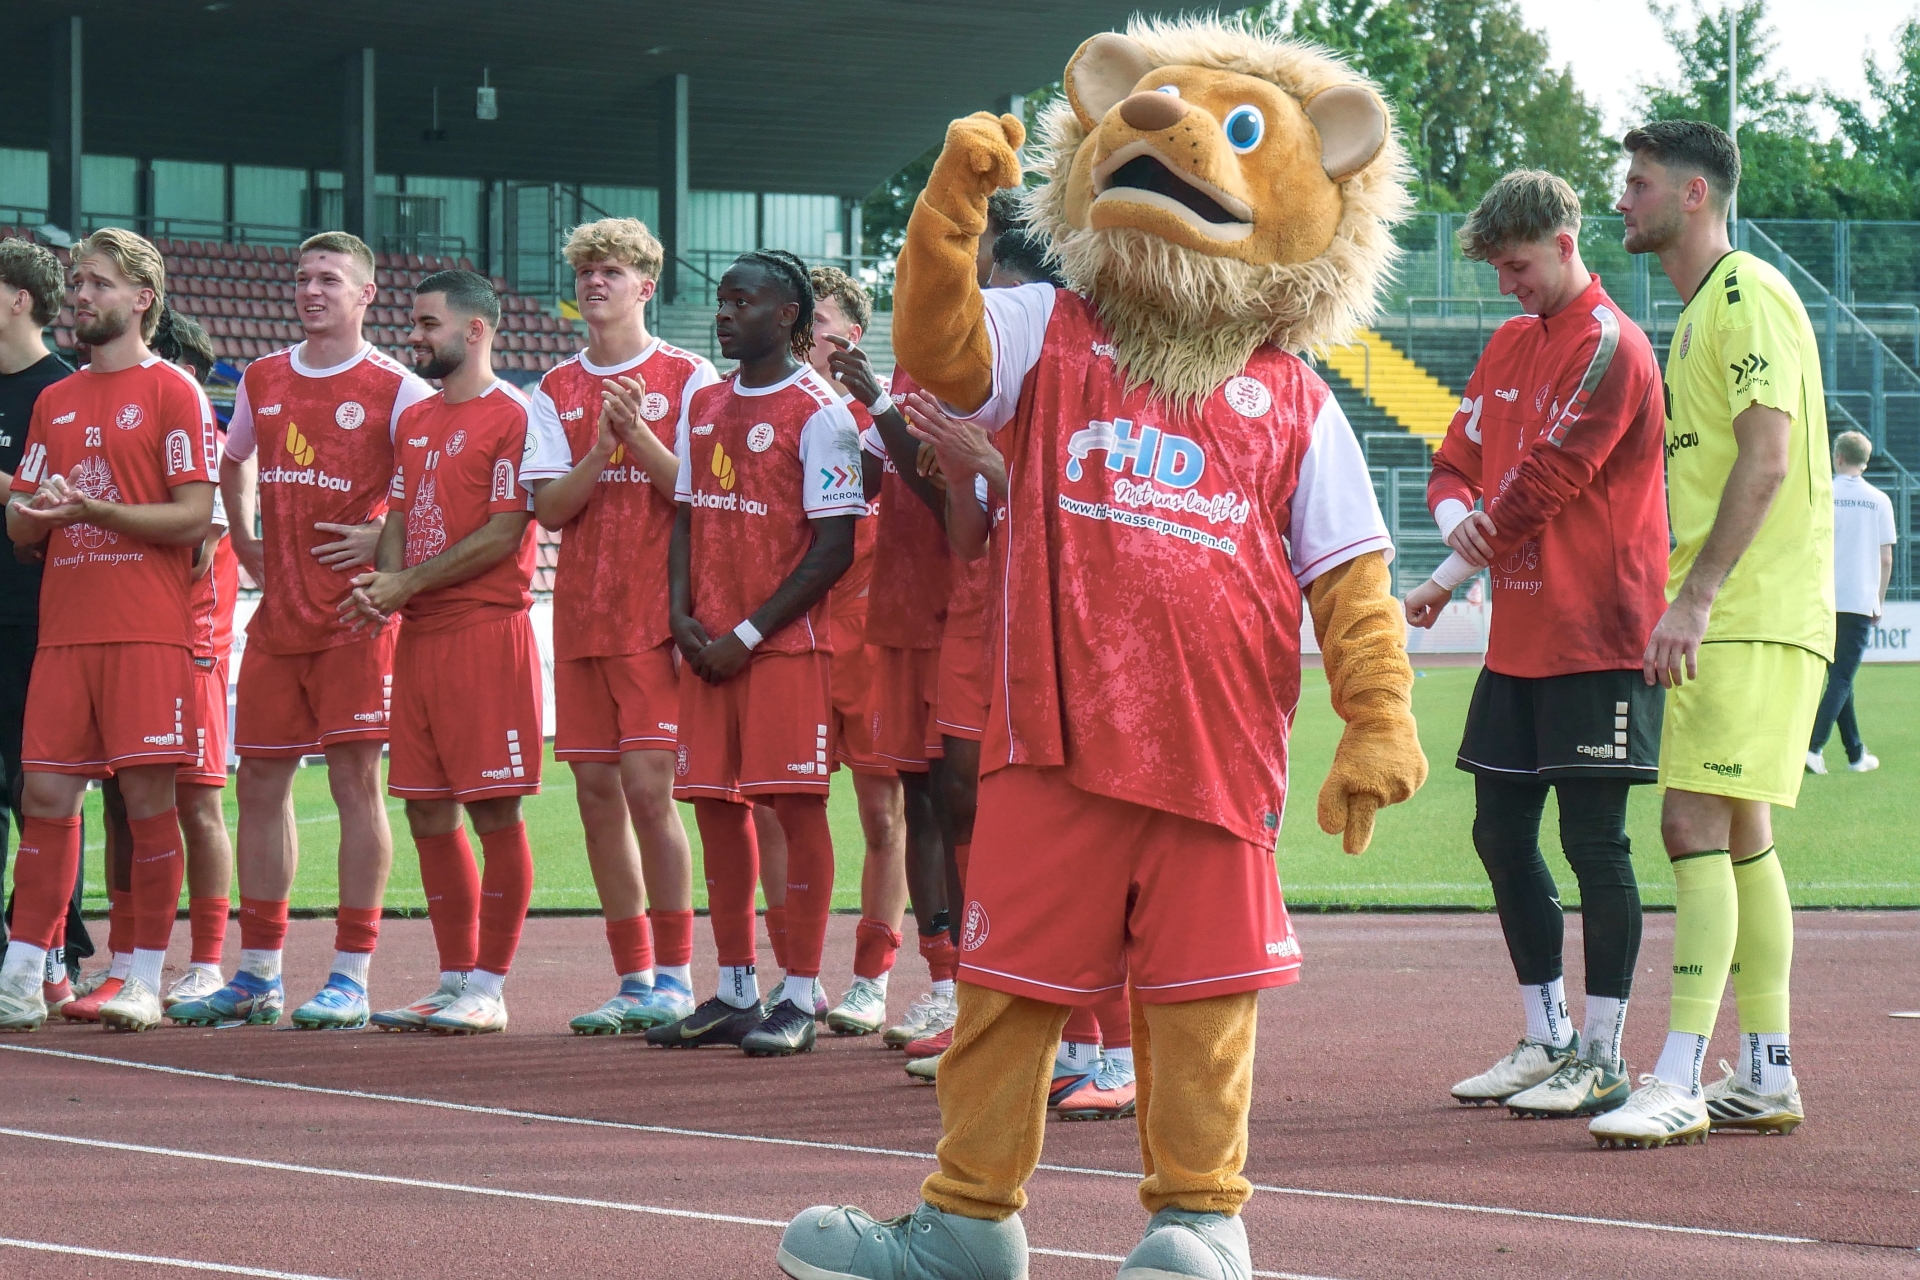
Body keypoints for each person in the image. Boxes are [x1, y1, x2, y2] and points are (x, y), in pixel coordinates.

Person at [1400, 171, 1668, 1119]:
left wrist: (1443, 577)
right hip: (1518, 637)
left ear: (1563, 241)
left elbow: (1548, 481)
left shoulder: (1611, 345)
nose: (1507, 286)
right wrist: (1455, 521)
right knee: (1499, 832)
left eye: (1516, 267)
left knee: (1595, 842)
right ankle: (1545, 1035)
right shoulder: (1512, 340)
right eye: (1497, 272)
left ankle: (1602, 1055)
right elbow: (1453, 463)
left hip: (1600, 634)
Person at [1598, 120, 1829, 1147]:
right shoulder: (1704, 310)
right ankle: (1767, 1069)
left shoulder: (1743, 294)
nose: (1623, 198)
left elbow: (1767, 457)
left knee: (1688, 824)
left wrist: (1695, 599)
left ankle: (1679, 1073)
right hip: (1755, 611)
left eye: (1640, 182)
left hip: (1744, 614)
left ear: (1695, 194)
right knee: (1742, 833)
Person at [185, 232, 433, 1030]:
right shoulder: (262, 376)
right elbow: (234, 461)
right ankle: (259, 972)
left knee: (355, 785)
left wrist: (385, 537)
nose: (312, 289)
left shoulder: (398, 388)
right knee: (258, 783)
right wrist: (246, 535)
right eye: (303, 277)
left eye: (330, 278)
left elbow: (432, 486)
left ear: (366, 294)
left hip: (356, 619)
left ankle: (351, 974)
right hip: (278, 620)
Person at [644, 249, 865, 1057]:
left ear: (786, 315)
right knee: (713, 806)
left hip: (782, 650)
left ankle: (799, 993)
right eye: (722, 300)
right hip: (709, 645)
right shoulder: (703, 402)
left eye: (743, 301)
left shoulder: (822, 412)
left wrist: (744, 634)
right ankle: (736, 988)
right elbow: (686, 514)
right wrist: (681, 614)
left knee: (794, 809)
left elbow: (833, 548)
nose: (725, 313)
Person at [0, 227, 216, 1033]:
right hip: (64, 631)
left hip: (144, 632)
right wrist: (40, 514)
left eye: (98, 283)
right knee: (45, 796)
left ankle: (143, 976)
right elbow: (21, 526)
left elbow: (194, 517)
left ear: (141, 299)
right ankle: (24, 976)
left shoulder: (174, 391)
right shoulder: (54, 401)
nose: (82, 295)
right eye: (79, 281)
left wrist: (97, 510)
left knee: (147, 800)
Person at [518, 218, 713, 1036]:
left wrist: (638, 436)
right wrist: (601, 451)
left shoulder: (689, 375)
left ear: (646, 285)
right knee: (596, 794)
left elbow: (700, 493)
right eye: (586, 271)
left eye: (612, 271)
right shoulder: (555, 386)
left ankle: (676, 974)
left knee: (648, 790)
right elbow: (549, 509)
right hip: (582, 618)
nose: (595, 282)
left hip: (656, 619)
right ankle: (633, 977)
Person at [346, 270, 541, 1036]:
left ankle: (490, 986)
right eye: (415, 322)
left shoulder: (514, 415)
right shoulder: (418, 419)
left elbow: (505, 532)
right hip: (422, 635)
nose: (415, 336)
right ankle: (454, 977)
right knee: (426, 809)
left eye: (428, 323)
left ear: (476, 329)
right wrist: (387, 587)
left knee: (493, 808)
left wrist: (407, 583)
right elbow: (398, 514)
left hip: (485, 632)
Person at [800, 265, 909, 1036]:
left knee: (882, 815)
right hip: (795, 633)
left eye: (818, 321)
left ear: (852, 336)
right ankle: (795, 972)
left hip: (868, 634)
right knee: (787, 810)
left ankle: (872, 978)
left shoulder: (882, 414)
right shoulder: (766, 410)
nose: (804, 333)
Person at [0, 236, 88, 1012]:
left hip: (37, 617)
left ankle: (55, 947)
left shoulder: (62, 391)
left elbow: (65, 502)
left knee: (45, 788)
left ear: (18, 299)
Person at [1806, 430, 1894, 776]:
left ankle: (1856, 753)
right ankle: (1813, 747)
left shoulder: (1822, 493)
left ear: (1838, 457)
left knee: (1840, 677)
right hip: (1858, 599)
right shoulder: (1879, 500)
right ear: (1866, 461)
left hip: (1822, 597)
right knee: (1842, 676)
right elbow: (1885, 559)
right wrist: (1878, 601)